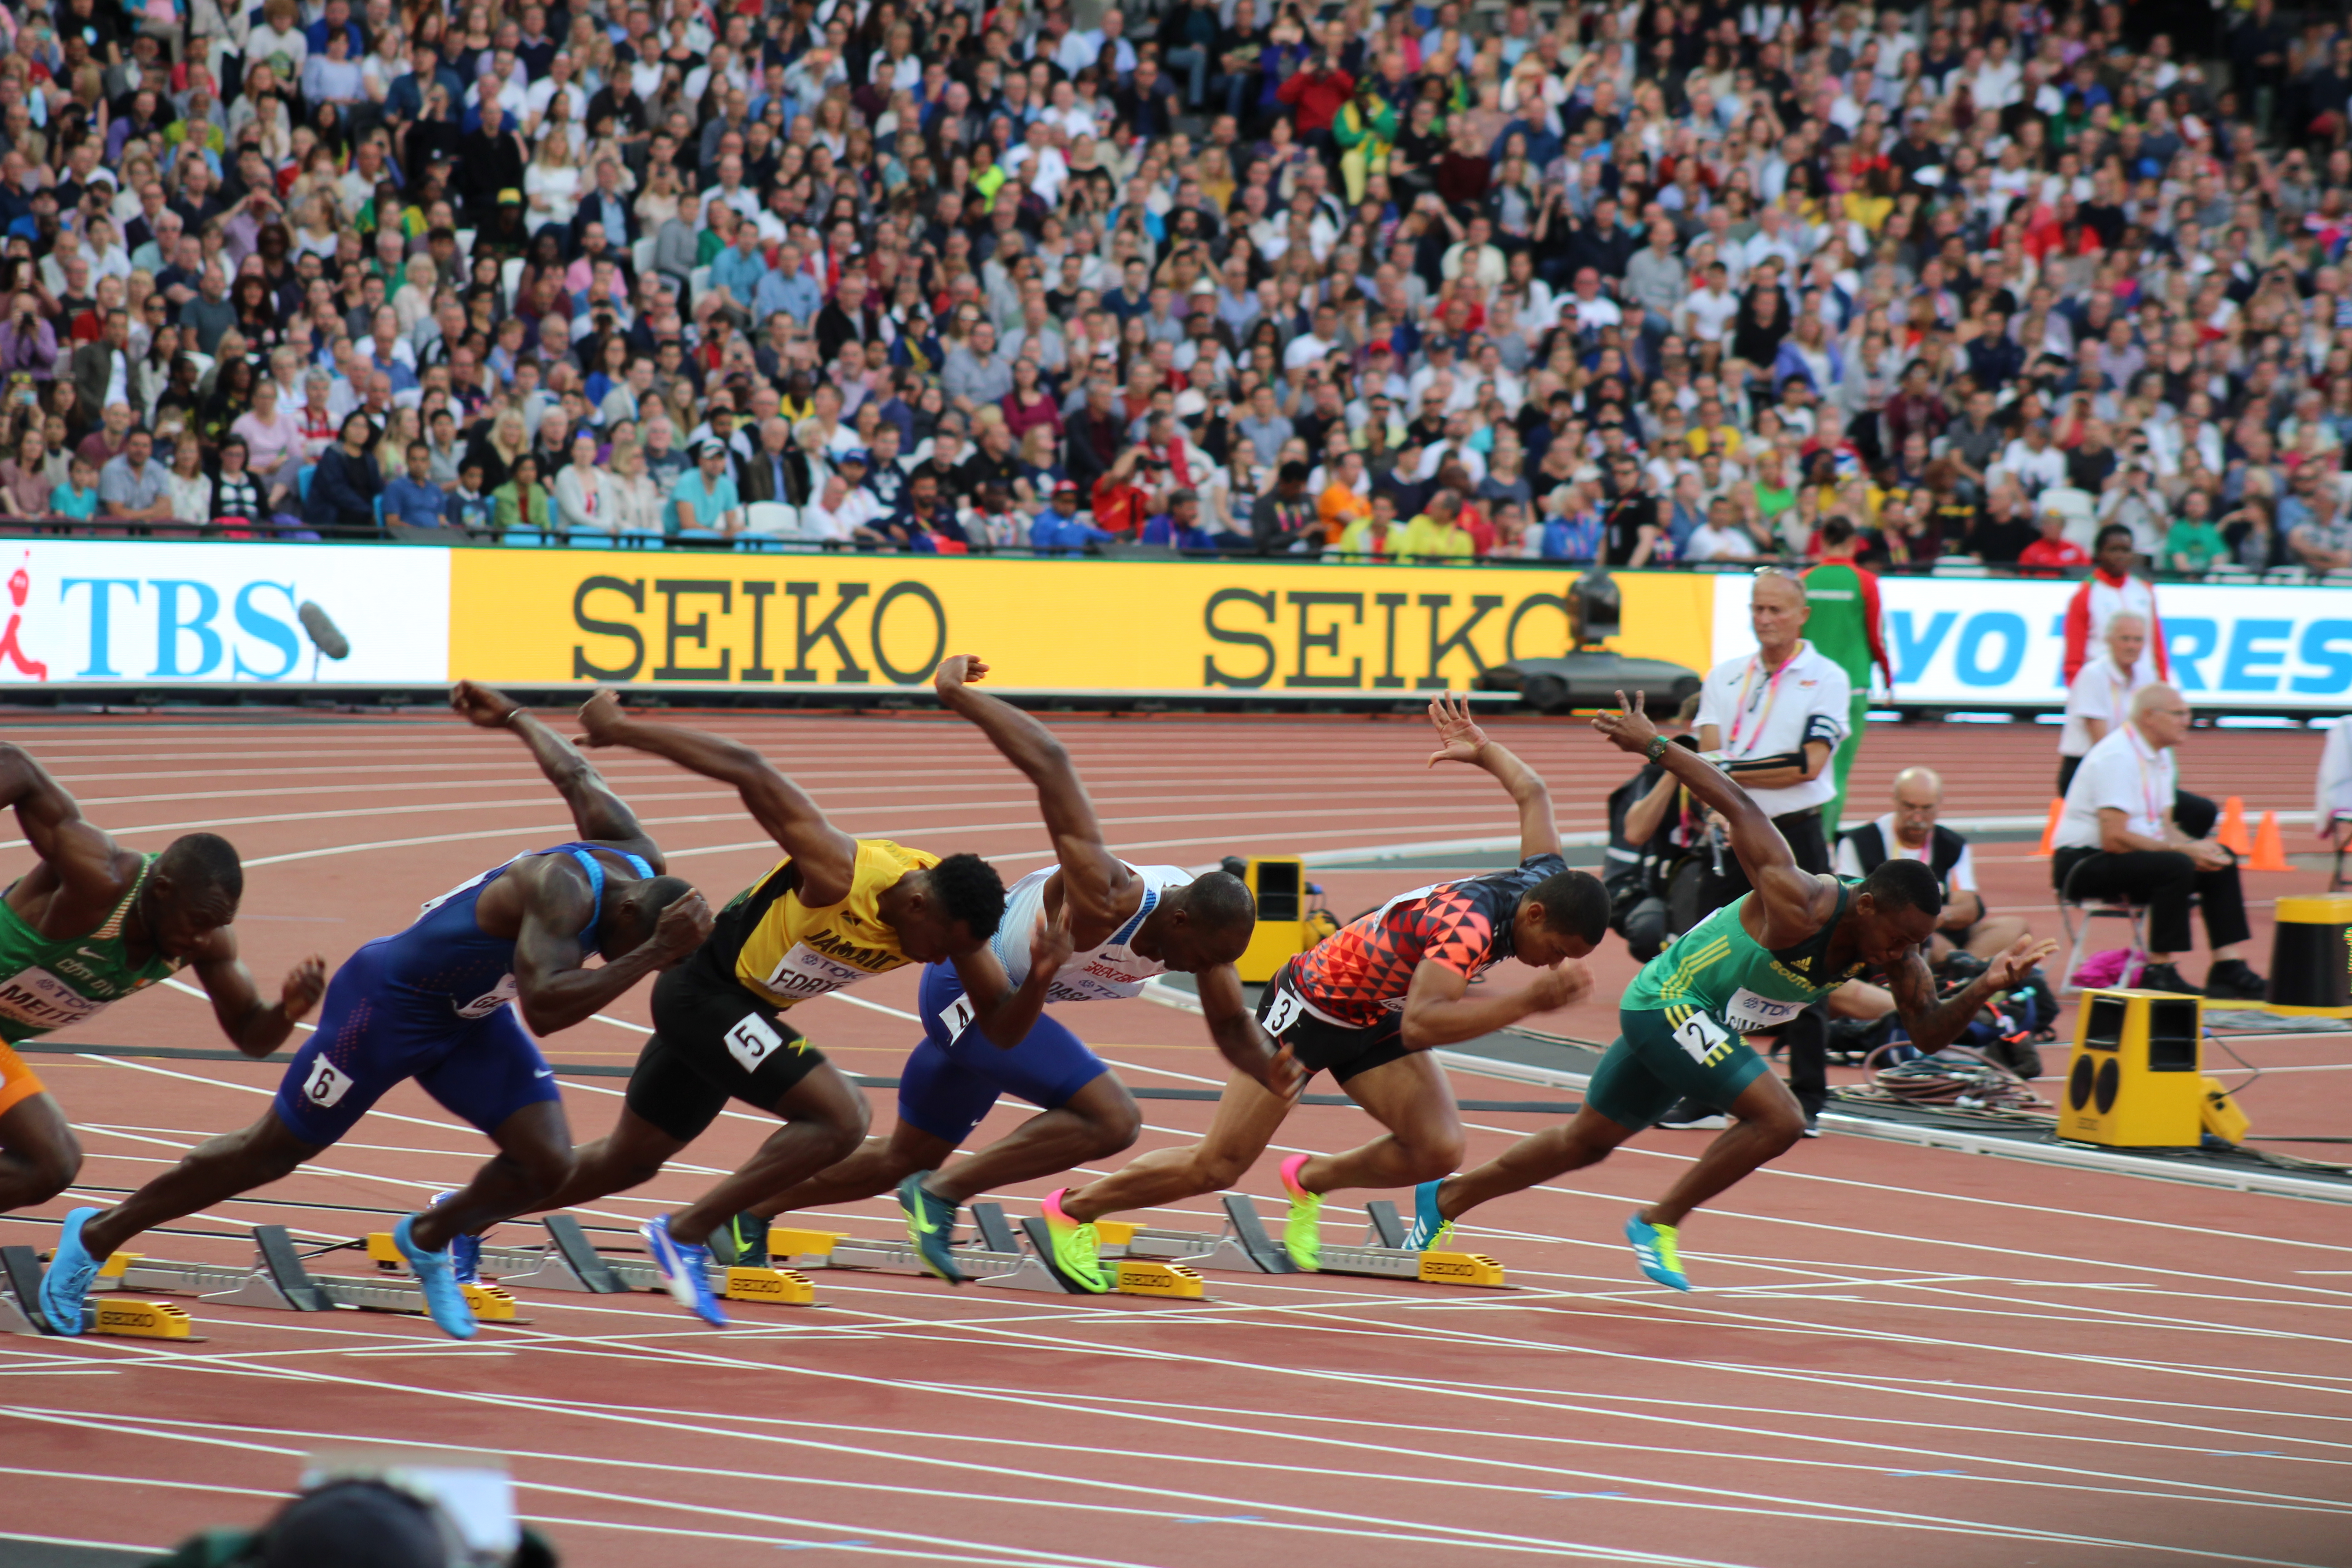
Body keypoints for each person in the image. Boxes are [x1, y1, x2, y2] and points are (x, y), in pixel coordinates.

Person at [40, 683, 710, 1339]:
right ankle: (96, 1235)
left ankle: (427, 1240)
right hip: (383, 1009)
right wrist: (651, 954)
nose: (617, 960)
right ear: (628, 913)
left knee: (548, 1163)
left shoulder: (639, 859)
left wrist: (514, 714)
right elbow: (548, 1010)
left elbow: (577, 772)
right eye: (630, 945)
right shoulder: (561, 889)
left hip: (469, 1020)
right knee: (269, 1154)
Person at [1407, 689, 2058, 1289]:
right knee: (1780, 1117)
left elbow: (1924, 1033)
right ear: (1865, 907)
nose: (1902, 955)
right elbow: (1738, 804)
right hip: (1669, 1002)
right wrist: (1657, 747)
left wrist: (1987, 988)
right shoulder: (1798, 899)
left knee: (1585, 1143)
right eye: (1896, 940)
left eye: (1915, 944)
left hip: (1699, 1024)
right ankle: (1657, 1222)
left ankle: (1444, 1200)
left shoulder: (1901, 952)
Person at [722, 657, 1300, 1291]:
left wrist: (1268, 1067)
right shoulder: (1105, 894)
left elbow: (1230, 1029)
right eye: (1203, 958)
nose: (1203, 972)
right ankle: (939, 1196)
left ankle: (745, 1211)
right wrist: (956, 697)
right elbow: (1051, 762)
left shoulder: (1207, 945)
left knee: (900, 1157)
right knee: (1113, 1120)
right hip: (968, 990)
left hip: (1011, 1010)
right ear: (1182, 919)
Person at [486, 687, 1029, 1326]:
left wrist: (1042, 976)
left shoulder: (952, 923)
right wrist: (624, 730)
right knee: (842, 1116)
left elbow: (1001, 1022)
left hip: (736, 1015)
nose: (941, 962)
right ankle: (687, 1231)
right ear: (917, 905)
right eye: (941, 946)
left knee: (627, 1161)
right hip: (702, 990)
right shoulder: (839, 873)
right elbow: (749, 768)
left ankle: (466, 1214)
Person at [1051, 695, 1608, 1271]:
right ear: (1536, 916)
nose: (1551, 966)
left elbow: (1534, 793)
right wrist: (1527, 1002)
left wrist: (1485, 750)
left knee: (1436, 1148)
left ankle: (1310, 1178)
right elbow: (1425, 1023)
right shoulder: (1466, 927)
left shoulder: (1545, 879)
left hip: (1375, 1014)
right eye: (1557, 953)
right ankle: (1074, 1210)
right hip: (1309, 1011)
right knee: (1217, 1166)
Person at [0, 748, 323, 1227]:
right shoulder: (100, 877)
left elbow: (253, 1037)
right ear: (163, 889)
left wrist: (288, 1010)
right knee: (52, 1159)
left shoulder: (205, 942)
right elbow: (19, 768)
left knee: (52, 1165)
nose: (200, 939)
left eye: (215, 927)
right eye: (197, 922)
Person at [1662, 568, 1852, 1127]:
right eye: (1757, 609)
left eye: (1776, 610)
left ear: (1802, 615)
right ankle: (1707, 1090)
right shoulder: (1724, 677)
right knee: (1710, 963)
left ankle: (1810, 1097)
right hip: (1734, 835)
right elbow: (1706, 762)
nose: (1765, 619)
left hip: (1794, 835)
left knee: (1810, 961)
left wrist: (1726, 779)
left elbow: (1808, 765)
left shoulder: (1827, 678)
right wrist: (1721, 804)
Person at [2049, 684, 2266, 1001]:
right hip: (2082, 863)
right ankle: (2159, 970)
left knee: (2220, 859)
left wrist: (2198, 847)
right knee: (2176, 865)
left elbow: (2164, 827)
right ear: (2151, 717)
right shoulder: (2118, 757)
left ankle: (2227, 967)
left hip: (2125, 856)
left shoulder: (2161, 757)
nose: (2186, 720)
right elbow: (2115, 838)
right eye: (2179, 714)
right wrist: (2183, 851)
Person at [1834, 767, 2030, 964]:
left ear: (1939, 806)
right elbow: (1848, 902)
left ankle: (1961, 969)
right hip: (1891, 935)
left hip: (1943, 929)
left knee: (2015, 927)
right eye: (1909, 807)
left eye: (1927, 809)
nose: (1918, 818)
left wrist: (1940, 918)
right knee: (1928, 943)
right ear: (1895, 801)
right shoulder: (1859, 843)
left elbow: (1968, 906)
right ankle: (1965, 971)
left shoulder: (1953, 845)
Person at [1800, 516, 1892, 837]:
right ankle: (1825, 844)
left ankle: (1800, 846)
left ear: (1823, 542)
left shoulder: (1805, 579)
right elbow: (1876, 636)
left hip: (1807, 688)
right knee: (1837, 773)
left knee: (1803, 768)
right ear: (1853, 544)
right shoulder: (1865, 582)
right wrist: (1888, 676)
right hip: (1852, 688)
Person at [2057, 612, 2155, 795]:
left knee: (2199, 811)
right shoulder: (2094, 676)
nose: (2132, 646)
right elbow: (2100, 744)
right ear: (2109, 640)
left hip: (2129, 766)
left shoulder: (2146, 676)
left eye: (2138, 640)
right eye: (2125, 639)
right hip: (2087, 767)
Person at [2061, 524, 2170, 685]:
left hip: (2143, 684)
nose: (2120, 556)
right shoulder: (2086, 594)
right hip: (2101, 684)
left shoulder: (2145, 591)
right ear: (2099, 554)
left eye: (2126, 550)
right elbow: (2075, 653)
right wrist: (2076, 689)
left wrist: (2163, 682)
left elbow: (2156, 644)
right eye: (2113, 550)